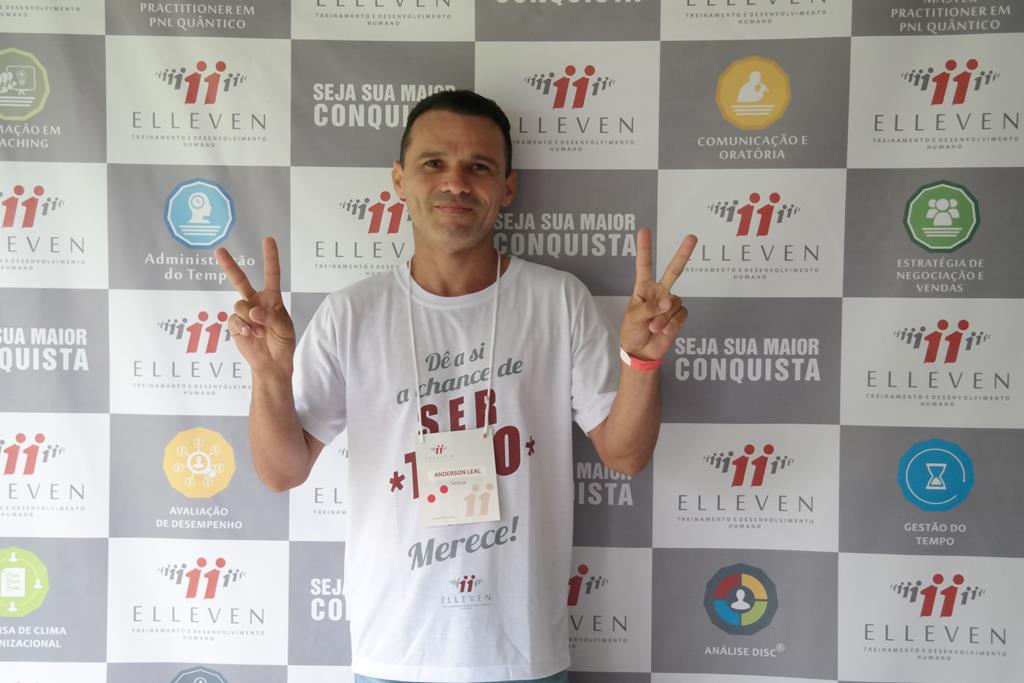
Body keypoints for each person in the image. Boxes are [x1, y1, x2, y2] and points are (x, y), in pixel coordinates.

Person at [215, 90, 696, 683]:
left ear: (507, 188)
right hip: (394, 657)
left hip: (523, 658)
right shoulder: (351, 313)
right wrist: (268, 375)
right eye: (434, 162)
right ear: (399, 180)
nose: (456, 182)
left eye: (479, 166)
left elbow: (625, 455)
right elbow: (281, 471)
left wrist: (640, 363)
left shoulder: (557, 300)